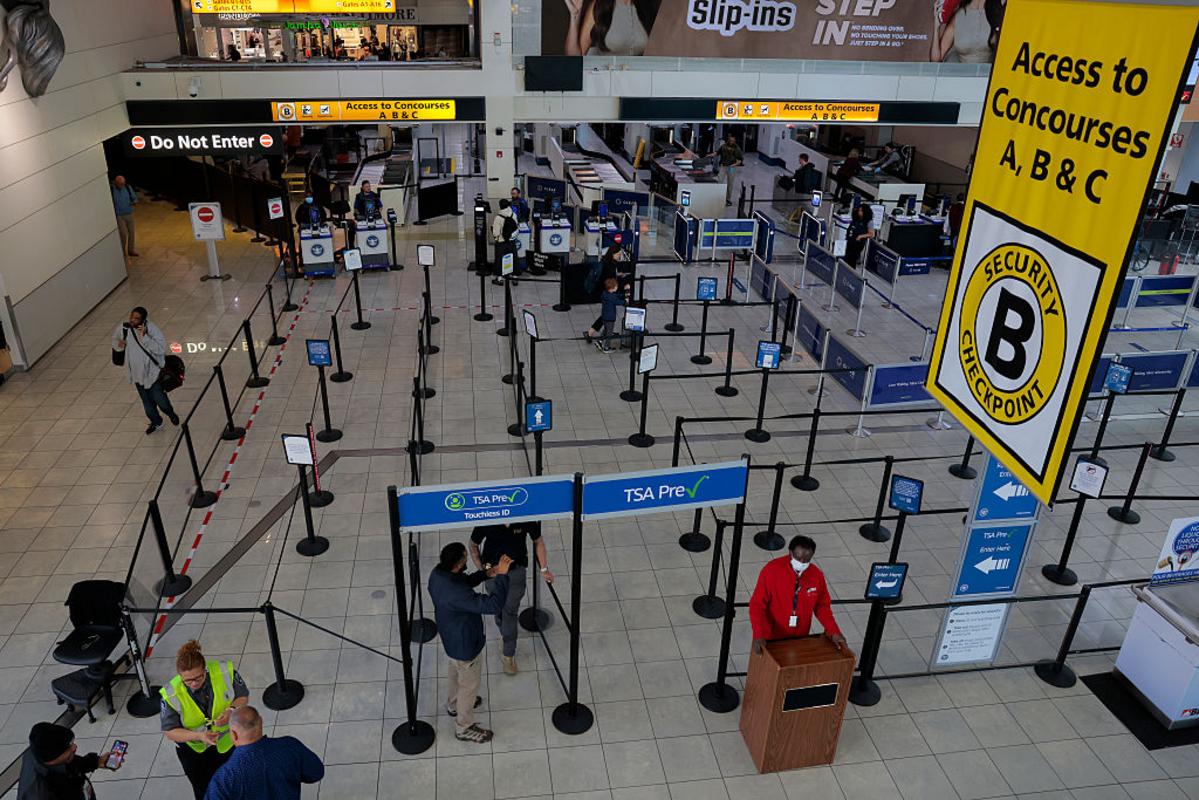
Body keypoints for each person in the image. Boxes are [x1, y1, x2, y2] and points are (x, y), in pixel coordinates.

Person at [428, 543, 512, 743]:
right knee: (469, 685)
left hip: (450, 638)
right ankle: (464, 727)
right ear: (458, 564)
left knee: (455, 672)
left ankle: (454, 704)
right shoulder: (457, 593)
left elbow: (461, 582)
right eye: (465, 559)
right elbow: (493, 605)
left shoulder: (437, 575)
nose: (467, 561)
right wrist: (501, 575)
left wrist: (486, 574)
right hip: (465, 644)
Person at [161, 640, 250, 800]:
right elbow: (170, 731)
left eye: (198, 677)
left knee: (237, 783)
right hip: (194, 751)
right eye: (187, 680)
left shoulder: (225, 672)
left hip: (228, 742)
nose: (194, 683)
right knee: (205, 790)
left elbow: (242, 696)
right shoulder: (171, 694)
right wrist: (200, 736)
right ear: (180, 676)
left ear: (205, 670)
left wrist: (231, 710)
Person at [469, 521, 554, 675]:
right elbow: (473, 544)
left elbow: (538, 540)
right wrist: (482, 569)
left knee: (509, 613)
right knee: (497, 608)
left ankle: (509, 654)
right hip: (492, 574)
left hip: (516, 573)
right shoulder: (488, 518)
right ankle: (505, 633)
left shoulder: (524, 516)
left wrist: (544, 568)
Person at [749, 535, 846, 655]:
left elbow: (822, 607)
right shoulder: (771, 571)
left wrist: (834, 631)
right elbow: (757, 605)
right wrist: (758, 634)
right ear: (790, 552)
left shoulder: (816, 575)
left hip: (800, 639)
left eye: (806, 560)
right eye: (798, 558)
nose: (802, 563)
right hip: (771, 640)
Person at [203, 706, 324, 800]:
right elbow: (316, 773)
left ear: (233, 734)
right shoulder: (289, 746)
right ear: (260, 721)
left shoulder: (224, 778)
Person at [113, 306, 178, 434]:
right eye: (132, 317)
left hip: (152, 373)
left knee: (160, 400)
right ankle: (156, 422)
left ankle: (170, 413)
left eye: (136, 319)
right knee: (147, 403)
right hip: (137, 375)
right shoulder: (124, 328)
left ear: (143, 320)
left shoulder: (151, 330)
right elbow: (115, 342)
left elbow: (160, 349)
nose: (132, 320)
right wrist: (119, 345)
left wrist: (145, 337)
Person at [17, 722, 115, 800]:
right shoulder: (39, 793)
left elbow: (71, 763)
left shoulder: (39, 751)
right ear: (54, 756)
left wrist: (96, 762)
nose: (74, 747)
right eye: (68, 748)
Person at [562, 0, 659, 55]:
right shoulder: (599, 7)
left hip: (638, 86)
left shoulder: (647, 9)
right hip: (605, 86)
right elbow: (574, 57)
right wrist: (574, 17)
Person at [931, 0, 1004, 64]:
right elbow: (936, 59)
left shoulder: (999, 8)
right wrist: (936, 27)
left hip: (991, 75)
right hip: (963, 76)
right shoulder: (958, 16)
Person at [584, 245, 632, 339]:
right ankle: (593, 333)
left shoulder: (607, 262)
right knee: (606, 314)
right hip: (606, 291)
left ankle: (604, 332)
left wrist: (618, 274)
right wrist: (623, 287)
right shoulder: (610, 266)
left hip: (604, 290)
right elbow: (610, 282)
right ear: (613, 254)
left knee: (606, 313)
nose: (619, 256)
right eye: (618, 254)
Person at [491, 198, 519, 286]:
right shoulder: (513, 214)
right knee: (514, 257)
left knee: (499, 259)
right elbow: (516, 226)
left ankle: (499, 279)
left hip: (501, 242)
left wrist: (497, 238)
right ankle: (515, 277)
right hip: (511, 241)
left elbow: (496, 232)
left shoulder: (498, 217)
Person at [711, 134, 744, 205]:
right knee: (720, 180)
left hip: (731, 167)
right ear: (728, 140)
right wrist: (710, 155)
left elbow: (739, 161)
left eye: (733, 140)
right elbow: (717, 152)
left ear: (735, 141)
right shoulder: (723, 146)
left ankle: (728, 199)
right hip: (723, 166)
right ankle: (718, 197)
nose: (731, 141)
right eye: (730, 140)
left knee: (730, 183)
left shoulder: (737, 149)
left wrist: (733, 165)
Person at [111, 175, 138, 258]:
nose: (121, 185)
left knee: (132, 232)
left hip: (129, 213)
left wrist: (134, 202)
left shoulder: (127, 188)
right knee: (123, 233)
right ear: (116, 183)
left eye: (123, 184)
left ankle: (131, 250)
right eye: (120, 184)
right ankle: (122, 251)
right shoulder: (112, 190)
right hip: (119, 215)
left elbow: (135, 198)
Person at [596, 276, 625, 353]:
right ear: (612, 288)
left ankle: (600, 340)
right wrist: (626, 302)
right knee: (609, 333)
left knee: (605, 329)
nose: (617, 288)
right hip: (610, 317)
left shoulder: (605, 294)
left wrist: (623, 295)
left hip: (605, 316)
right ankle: (606, 347)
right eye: (616, 287)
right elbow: (618, 301)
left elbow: (616, 296)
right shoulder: (611, 297)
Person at [786, 154, 818, 222]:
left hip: (802, 192)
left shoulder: (806, 170)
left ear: (802, 160)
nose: (799, 161)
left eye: (800, 159)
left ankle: (812, 218)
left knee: (803, 206)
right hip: (800, 191)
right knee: (798, 205)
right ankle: (797, 218)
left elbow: (805, 181)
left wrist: (805, 189)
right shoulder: (803, 168)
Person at [843, 204, 875, 268]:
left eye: (861, 211)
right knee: (846, 258)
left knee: (852, 259)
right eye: (859, 210)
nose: (859, 212)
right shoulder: (856, 219)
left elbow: (872, 234)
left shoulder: (869, 221)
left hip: (858, 243)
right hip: (850, 240)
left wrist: (860, 236)